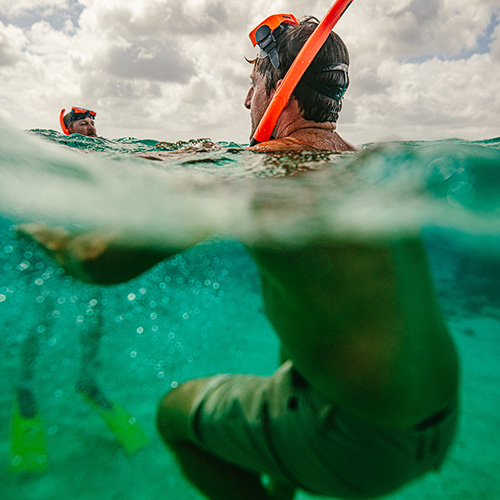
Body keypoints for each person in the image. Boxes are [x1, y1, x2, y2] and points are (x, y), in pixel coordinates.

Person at [18, 15, 459, 500]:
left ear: (282, 90)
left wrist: (45, 235)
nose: (246, 100)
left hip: (360, 448)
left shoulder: (262, 179)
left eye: (253, 83)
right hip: (441, 421)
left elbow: (99, 261)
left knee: (175, 416)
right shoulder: (372, 170)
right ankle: (284, 461)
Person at [10, 108, 147, 474]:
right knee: (43, 316)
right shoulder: (55, 150)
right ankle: (25, 388)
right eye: (81, 122)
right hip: (48, 245)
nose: (89, 126)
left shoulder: (106, 150)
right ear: (66, 129)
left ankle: (88, 381)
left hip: (84, 246)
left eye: (91, 122)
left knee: (93, 318)